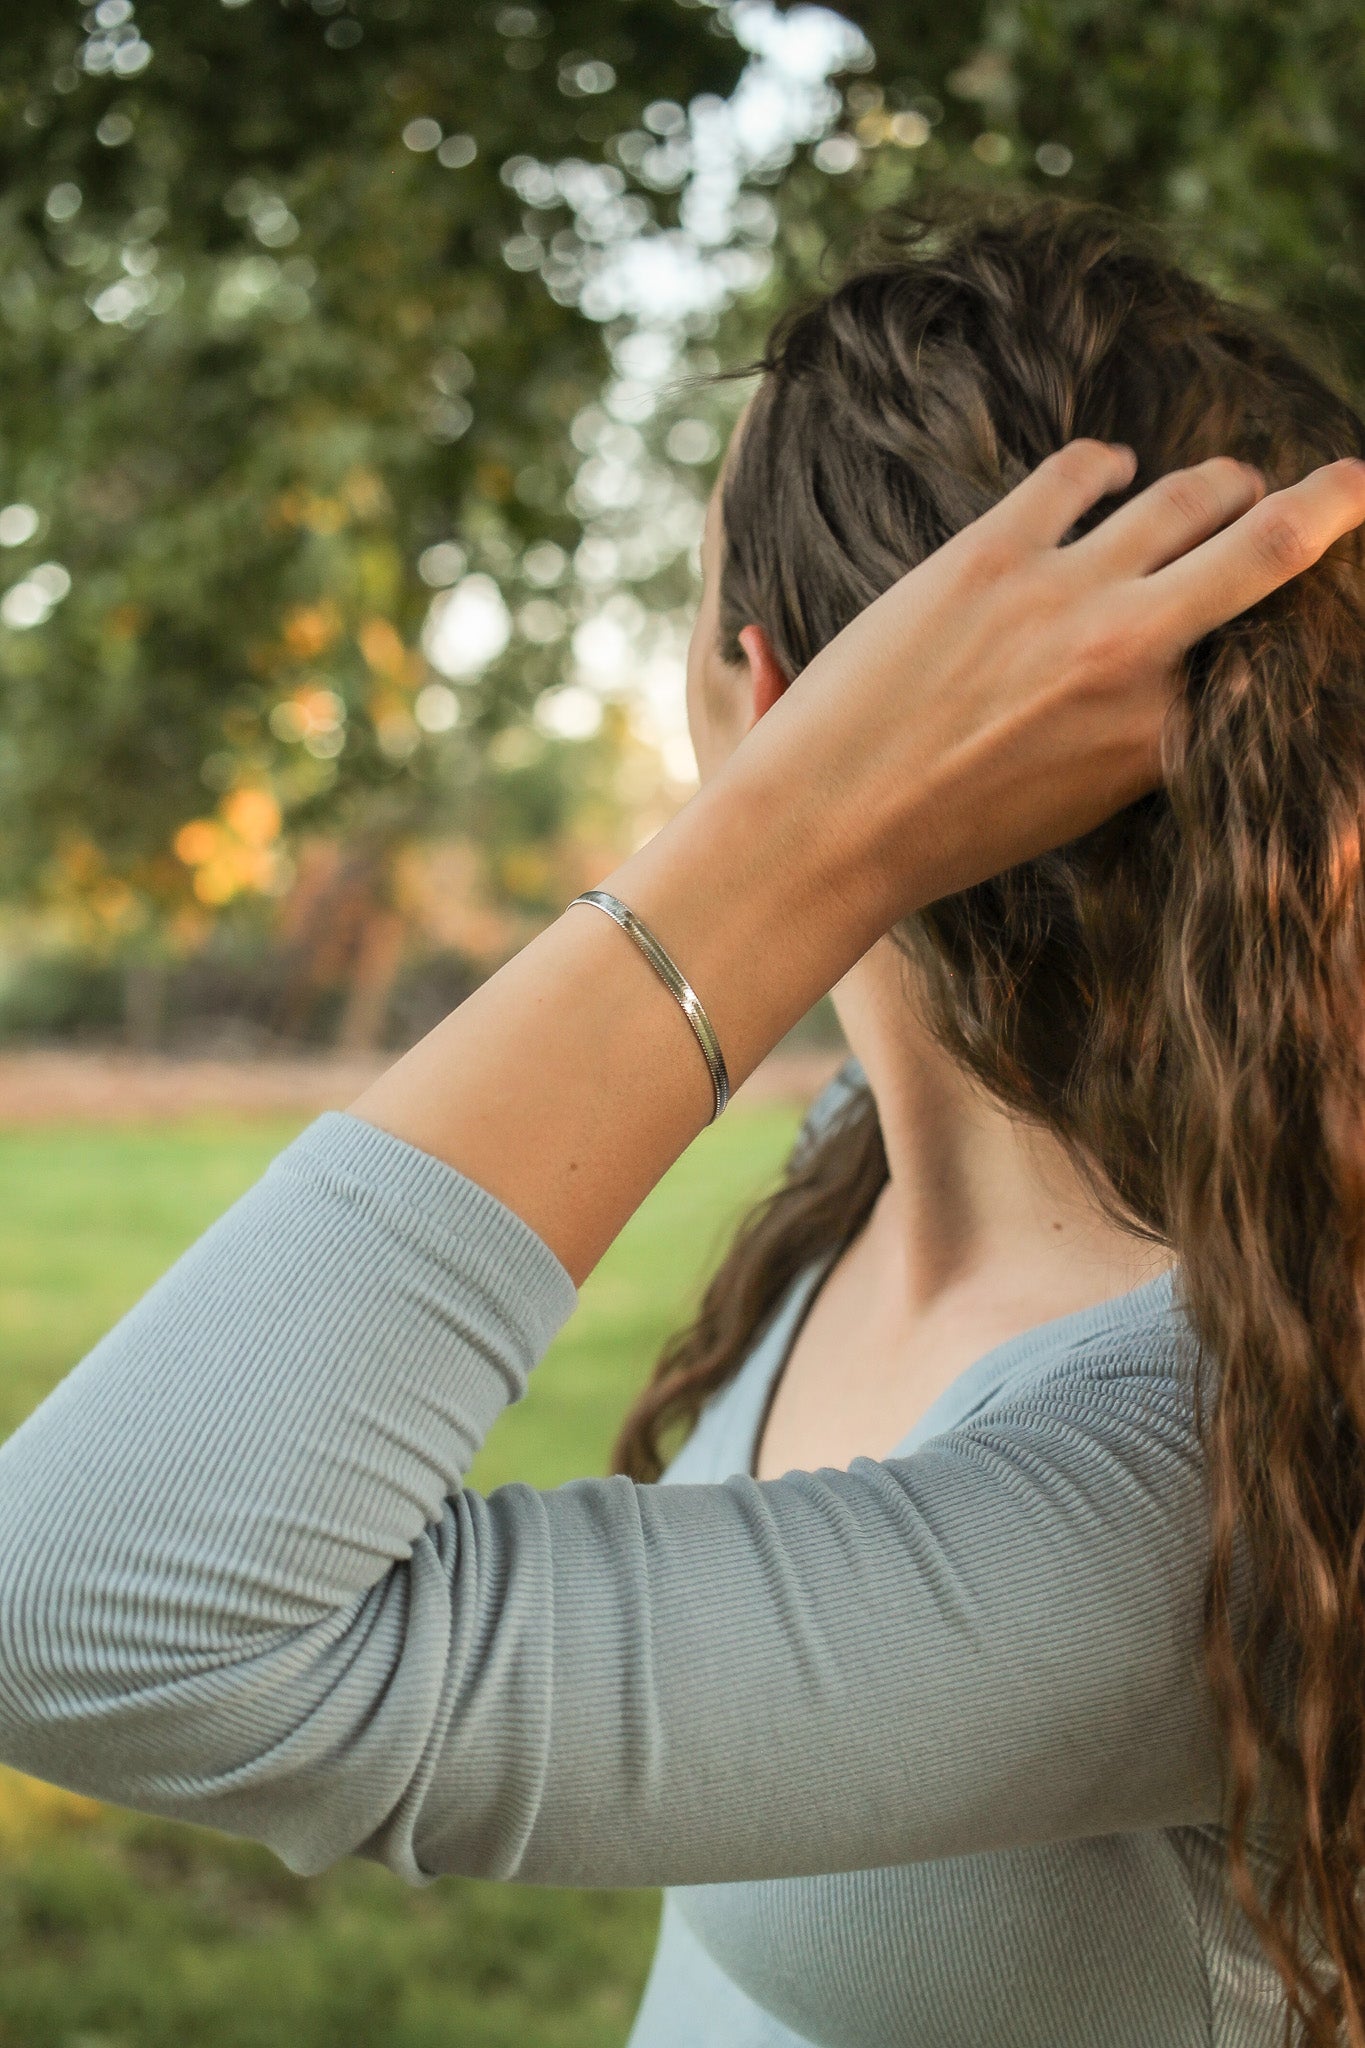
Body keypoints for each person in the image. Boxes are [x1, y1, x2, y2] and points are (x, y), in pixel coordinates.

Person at [1, 200, 1364, 2048]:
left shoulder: (1186, 1475)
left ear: (782, 695)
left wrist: (791, 849)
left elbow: (93, 1609)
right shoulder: (862, 1164)